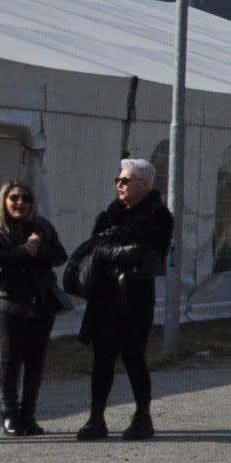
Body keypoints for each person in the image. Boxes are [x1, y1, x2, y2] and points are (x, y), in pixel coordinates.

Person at [75, 156, 175, 441]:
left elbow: (142, 253)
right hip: (105, 294)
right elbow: (95, 247)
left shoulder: (158, 216)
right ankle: (96, 418)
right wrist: (111, 253)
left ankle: (143, 416)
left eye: (125, 180)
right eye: (117, 180)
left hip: (135, 295)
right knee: (102, 357)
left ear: (144, 184)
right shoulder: (110, 214)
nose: (119, 185)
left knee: (133, 356)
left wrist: (109, 253)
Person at [0, 181, 68, 435]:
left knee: (35, 360)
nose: (20, 203)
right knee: (10, 359)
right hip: (7, 303)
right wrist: (23, 251)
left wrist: (39, 249)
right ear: (4, 201)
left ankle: (28, 415)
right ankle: (9, 414)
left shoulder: (43, 227)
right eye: (14, 198)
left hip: (40, 303)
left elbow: (60, 256)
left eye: (25, 199)